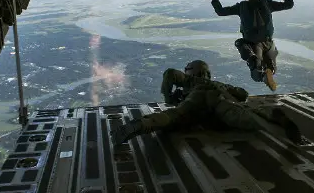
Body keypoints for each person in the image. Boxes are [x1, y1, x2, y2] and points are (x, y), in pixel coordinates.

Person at [110, 60, 303, 146]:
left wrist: (170, 98)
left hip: (197, 98)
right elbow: (243, 94)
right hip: (220, 98)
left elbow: (169, 73)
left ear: (191, 71)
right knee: (242, 116)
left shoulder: (190, 81)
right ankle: (271, 116)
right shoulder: (216, 82)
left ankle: (140, 125)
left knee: (174, 117)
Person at [208, 0, 294, 91]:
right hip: (268, 43)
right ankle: (268, 71)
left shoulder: (241, 7)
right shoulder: (268, 4)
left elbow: (221, 11)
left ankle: (253, 60)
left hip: (252, 44)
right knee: (271, 68)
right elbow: (288, 5)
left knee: (251, 64)